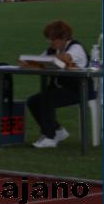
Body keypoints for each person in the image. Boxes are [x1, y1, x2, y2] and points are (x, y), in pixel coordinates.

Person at [25, 20, 92, 148]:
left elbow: (66, 58)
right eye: (48, 39)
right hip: (60, 89)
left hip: (79, 90)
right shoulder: (53, 50)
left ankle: (50, 137)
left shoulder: (76, 48)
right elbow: (38, 60)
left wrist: (44, 60)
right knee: (33, 101)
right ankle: (58, 130)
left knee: (46, 99)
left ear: (64, 37)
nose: (50, 42)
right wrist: (29, 61)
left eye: (53, 39)